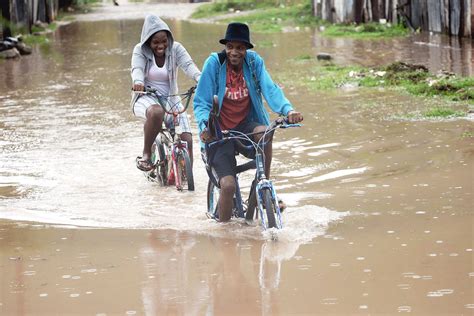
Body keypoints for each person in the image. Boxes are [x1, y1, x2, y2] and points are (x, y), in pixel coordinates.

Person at [193, 22, 303, 222]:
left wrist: (289, 110)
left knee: (265, 132)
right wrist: (204, 127)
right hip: (219, 133)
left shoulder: (253, 63)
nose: (234, 52)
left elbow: (270, 89)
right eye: (230, 47)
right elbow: (201, 102)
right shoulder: (214, 64)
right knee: (228, 186)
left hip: (246, 126)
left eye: (240, 48)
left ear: (246, 50)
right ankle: (225, 235)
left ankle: (264, 184)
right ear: (225, 48)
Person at [131, 14, 201, 171]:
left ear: (169, 39)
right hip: (146, 97)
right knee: (156, 112)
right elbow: (137, 69)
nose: (161, 46)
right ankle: (147, 154)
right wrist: (138, 82)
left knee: (186, 139)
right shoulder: (139, 50)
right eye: (155, 42)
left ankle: (185, 173)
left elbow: (188, 65)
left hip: (171, 98)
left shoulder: (176, 48)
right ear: (148, 41)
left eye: (164, 41)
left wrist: (200, 79)